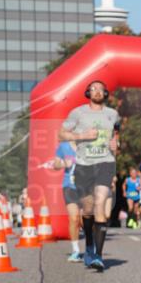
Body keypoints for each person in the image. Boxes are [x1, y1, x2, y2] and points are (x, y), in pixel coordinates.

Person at [59, 80, 120, 271]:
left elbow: (116, 137)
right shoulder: (77, 113)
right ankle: (89, 246)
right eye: (93, 88)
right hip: (84, 165)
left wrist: (116, 145)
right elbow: (61, 134)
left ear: (105, 93)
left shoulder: (112, 114)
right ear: (88, 93)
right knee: (87, 210)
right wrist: (81, 136)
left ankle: (98, 257)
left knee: (100, 203)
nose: (97, 91)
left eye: (101, 88)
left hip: (105, 163)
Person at [51, 138, 82, 261]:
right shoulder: (63, 146)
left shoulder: (88, 146)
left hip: (86, 187)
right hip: (69, 186)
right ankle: (75, 250)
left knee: (85, 220)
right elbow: (55, 164)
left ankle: (92, 248)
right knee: (74, 219)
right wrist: (64, 163)